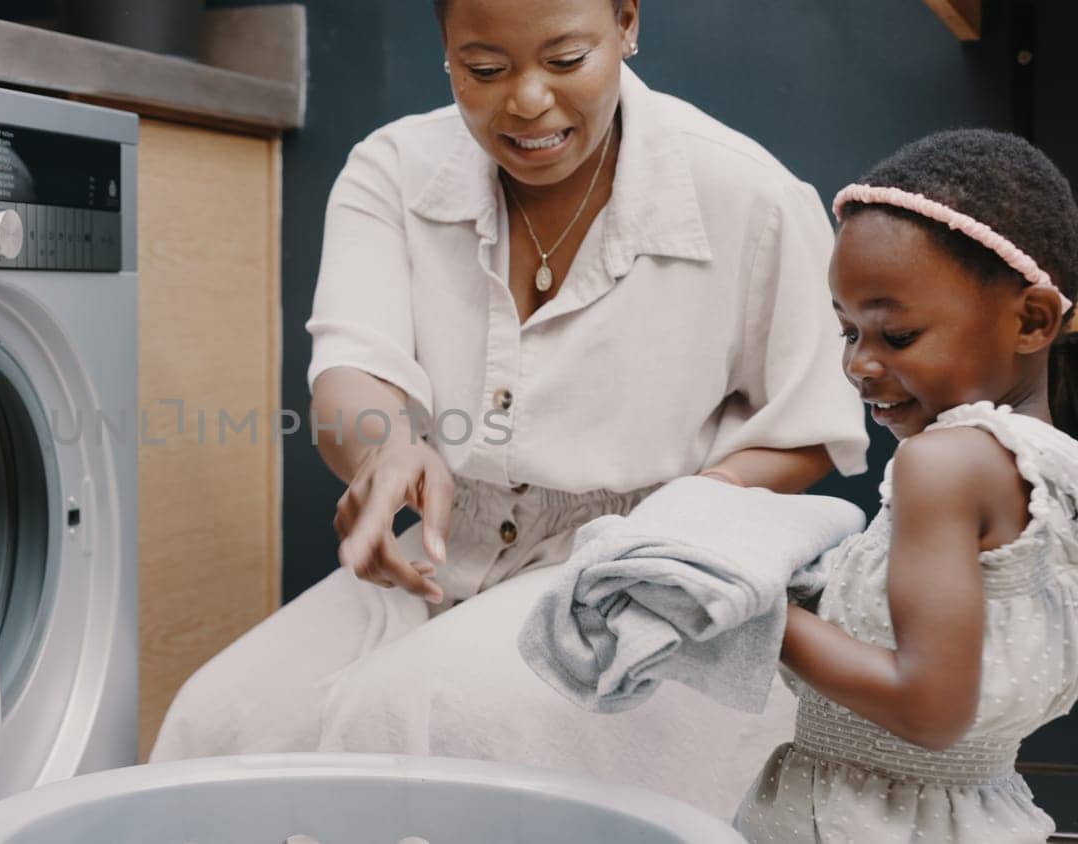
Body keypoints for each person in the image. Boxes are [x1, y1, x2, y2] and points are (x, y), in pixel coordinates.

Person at [151, 0, 868, 816]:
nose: (526, 102)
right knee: (216, 723)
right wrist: (386, 452)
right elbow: (353, 367)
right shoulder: (393, 168)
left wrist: (678, 521)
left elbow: (813, 426)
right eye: (484, 70)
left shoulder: (748, 195)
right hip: (440, 554)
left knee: (403, 717)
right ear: (447, 50)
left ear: (627, 23)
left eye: (566, 61)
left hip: (622, 574)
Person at [734, 129, 1078, 842]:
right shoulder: (1054, 471)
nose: (860, 364)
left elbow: (929, 708)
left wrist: (751, 609)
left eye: (896, 336)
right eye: (847, 333)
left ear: (1032, 320)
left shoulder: (941, 465)